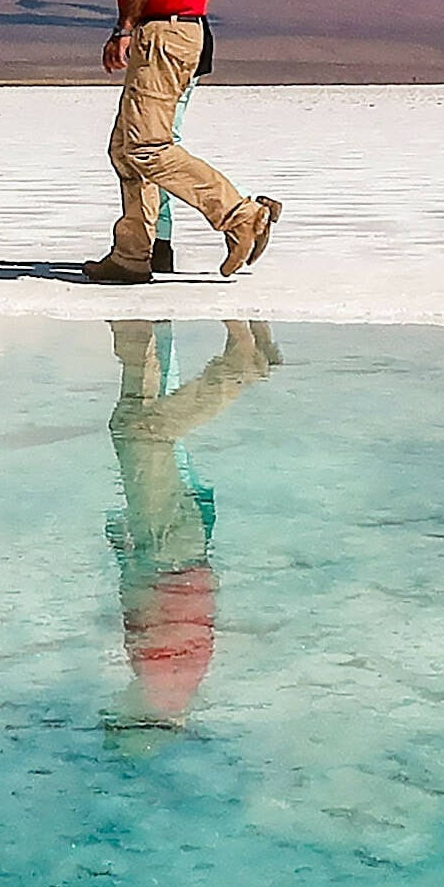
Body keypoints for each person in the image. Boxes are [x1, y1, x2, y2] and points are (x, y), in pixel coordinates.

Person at [79, 0, 283, 285]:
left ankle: (239, 215)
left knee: (148, 146)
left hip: (163, 32)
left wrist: (126, 26)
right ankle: (133, 255)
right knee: (126, 147)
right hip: (180, 29)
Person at [104, 314, 276, 734]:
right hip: (167, 553)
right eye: (116, 718)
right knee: (139, 434)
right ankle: (239, 369)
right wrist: (134, 554)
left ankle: (137, 336)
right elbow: (157, 610)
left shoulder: (175, 684)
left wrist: (126, 550)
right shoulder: (158, 683)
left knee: (132, 422)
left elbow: (168, 615)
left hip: (177, 551)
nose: (112, 707)